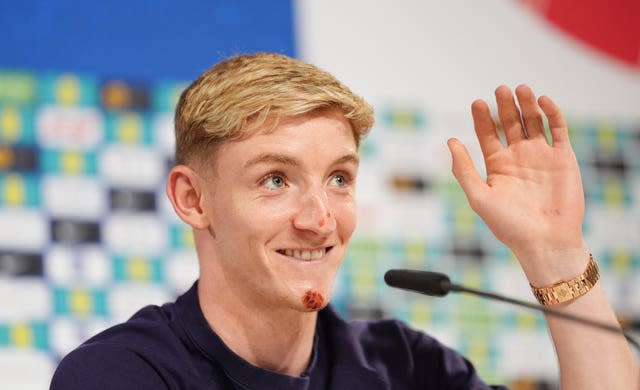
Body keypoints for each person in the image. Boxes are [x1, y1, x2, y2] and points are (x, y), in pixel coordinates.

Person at [50, 52, 639, 389]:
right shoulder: (121, 375)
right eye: (275, 179)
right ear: (193, 199)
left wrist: (557, 253)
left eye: (339, 178)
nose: (319, 218)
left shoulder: (403, 366)